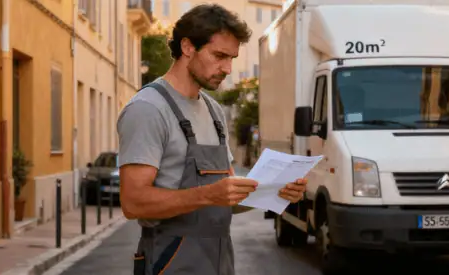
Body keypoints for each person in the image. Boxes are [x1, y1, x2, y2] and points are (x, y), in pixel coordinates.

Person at [116, 4, 307, 275]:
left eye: (232, 58)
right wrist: (206, 194)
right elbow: (133, 203)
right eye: (219, 56)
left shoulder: (214, 111)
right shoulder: (148, 109)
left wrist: (273, 192)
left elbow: (224, 196)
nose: (228, 68)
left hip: (220, 262)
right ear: (187, 47)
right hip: (169, 262)